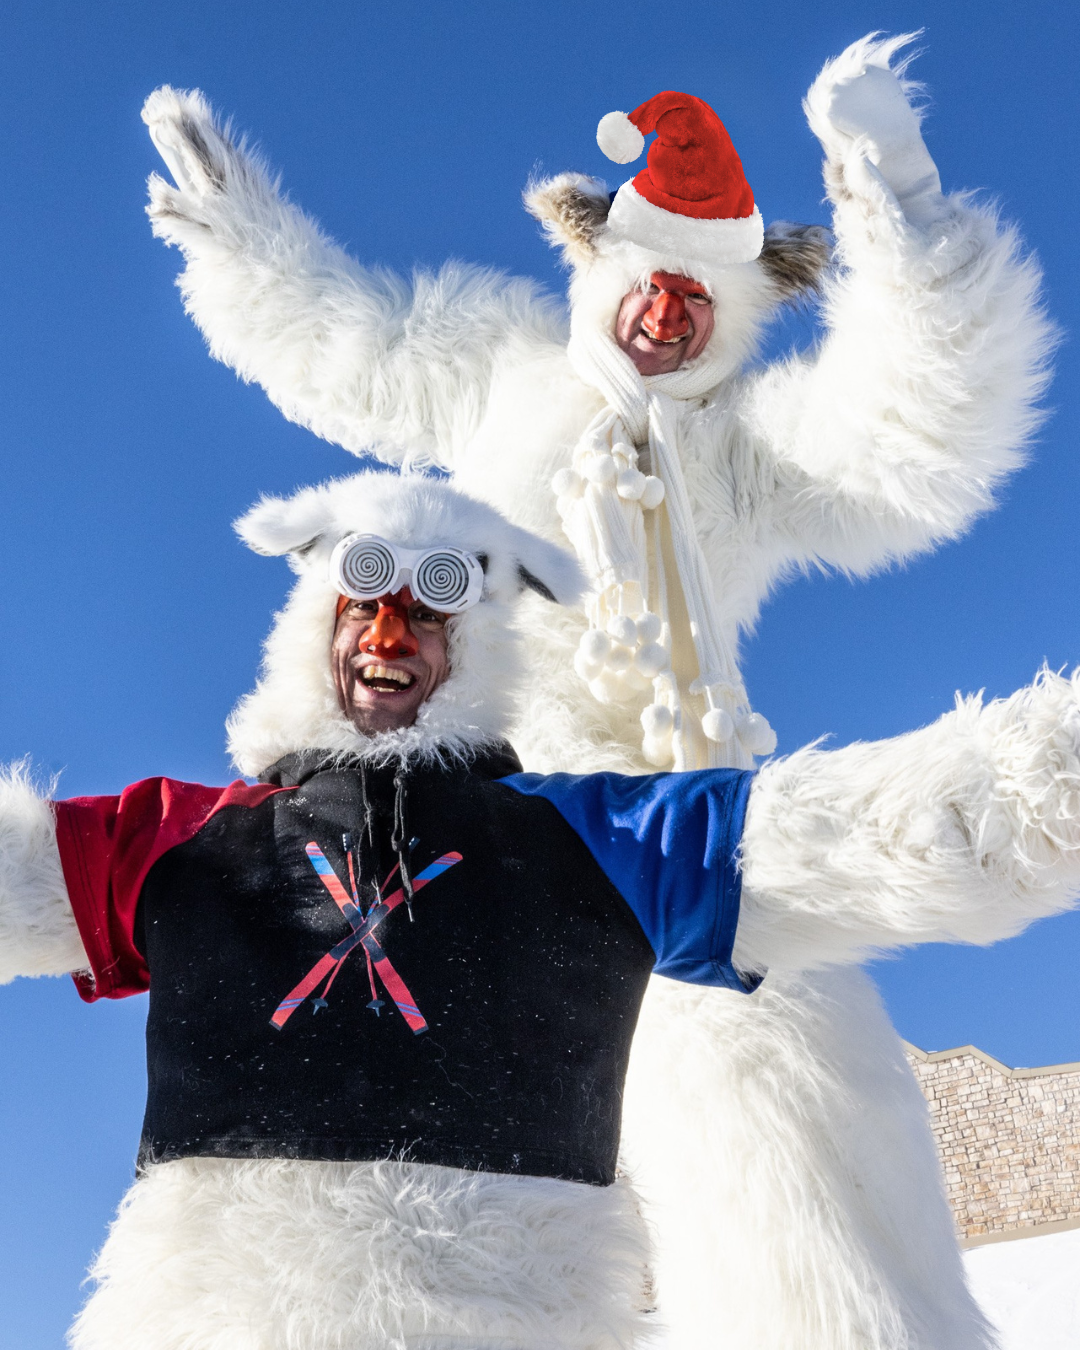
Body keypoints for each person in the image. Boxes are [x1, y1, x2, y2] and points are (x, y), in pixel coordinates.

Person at [138, 34, 1054, 1347]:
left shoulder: (739, 447)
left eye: (702, 301)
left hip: (679, 806)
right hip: (497, 813)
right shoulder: (504, 369)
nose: (670, 312)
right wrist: (235, 244)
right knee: (431, 1165)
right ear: (605, 267)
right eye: (655, 283)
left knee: (790, 1102)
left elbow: (908, 434)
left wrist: (901, 223)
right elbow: (355, 340)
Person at [5, 469, 1080, 1349]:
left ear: (471, 645)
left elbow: (878, 829)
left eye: (429, 610)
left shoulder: (594, 841)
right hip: (213, 1314)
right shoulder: (178, 840)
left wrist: (1053, 772)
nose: (392, 632)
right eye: (365, 600)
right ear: (314, 624)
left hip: (503, 1316)